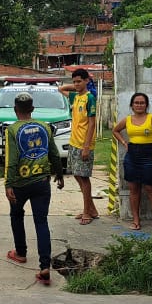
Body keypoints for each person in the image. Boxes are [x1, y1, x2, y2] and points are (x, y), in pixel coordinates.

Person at [3, 92, 66, 284]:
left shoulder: (12, 130)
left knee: (16, 215)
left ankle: (20, 252)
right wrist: (59, 174)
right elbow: (54, 153)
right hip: (42, 182)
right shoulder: (44, 126)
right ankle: (45, 266)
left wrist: (9, 183)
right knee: (41, 222)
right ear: (32, 109)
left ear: (15, 110)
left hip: (20, 183)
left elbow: (11, 160)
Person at [113, 92, 152, 231]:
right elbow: (115, 130)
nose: (139, 105)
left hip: (149, 156)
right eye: (136, 103)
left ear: (146, 105)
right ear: (132, 105)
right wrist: (124, 142)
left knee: (151, 189)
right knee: (134, 189)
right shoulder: (127, 119)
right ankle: (136, 220)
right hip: (131, 157)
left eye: (142, 103)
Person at [58, 67, 100, 225]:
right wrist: (76, 86)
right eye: (74, 81)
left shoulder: (90, 98)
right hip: (74, 142)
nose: (75, 84)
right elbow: (60, 88)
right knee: (76, 175)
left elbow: (92, 123)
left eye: (79, 81)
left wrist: (86, 147)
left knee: (84, 177)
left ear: (87, 81)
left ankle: (87, 213)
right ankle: (91, 209)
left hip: (84, 143)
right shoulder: (75, 97)